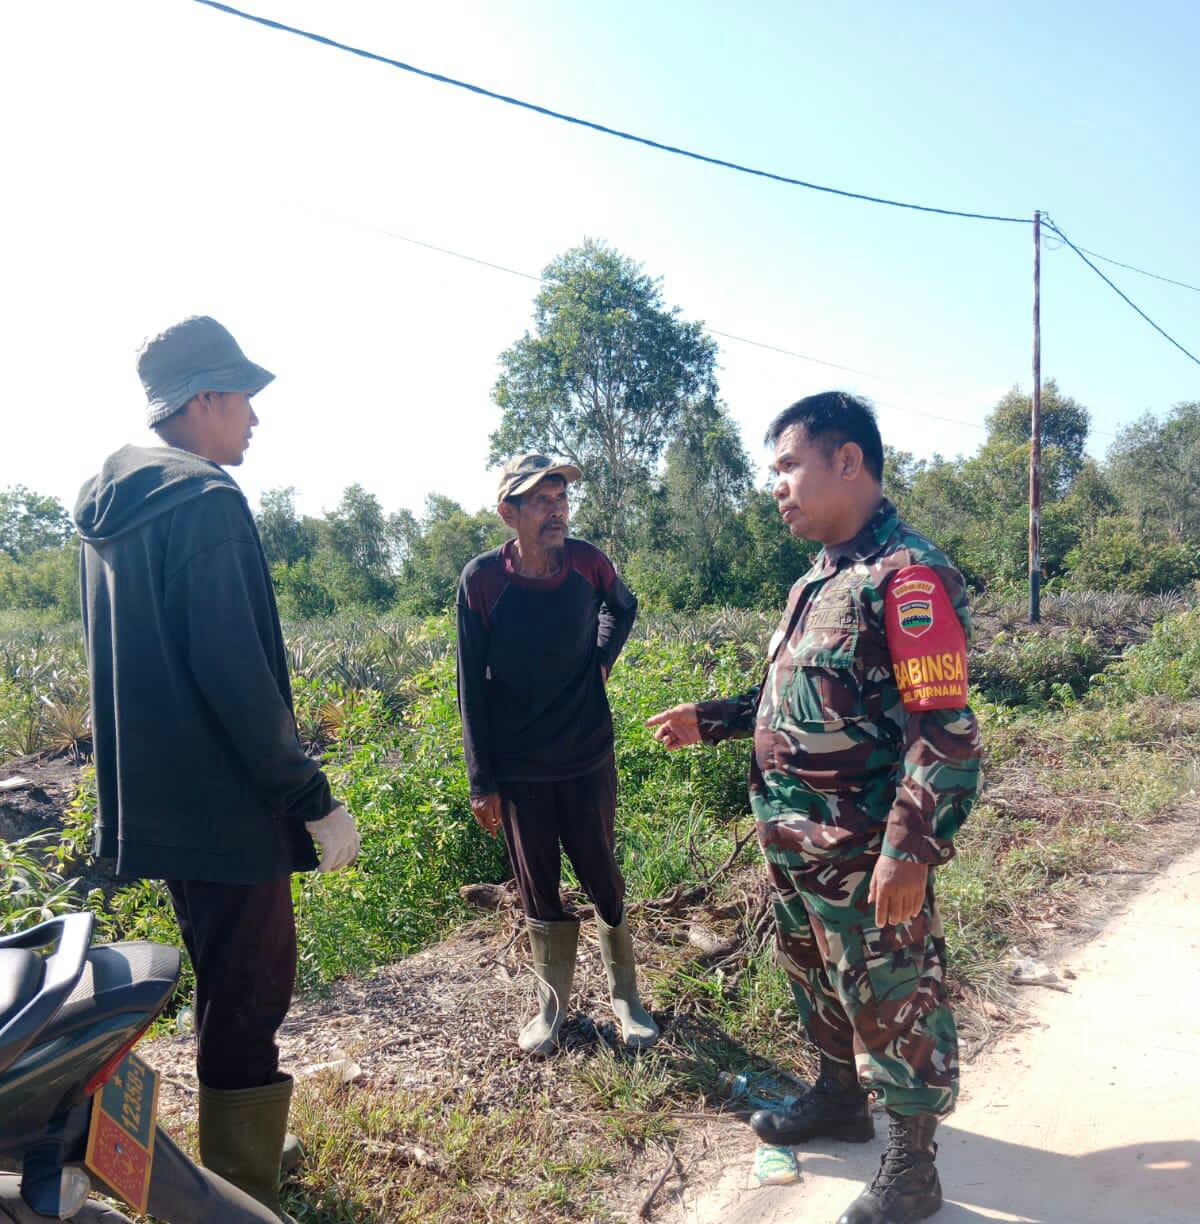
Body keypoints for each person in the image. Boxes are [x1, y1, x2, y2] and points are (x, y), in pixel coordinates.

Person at [647, 392, 980, 1224]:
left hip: (867, 848)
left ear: (848, 462)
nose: (777, 487)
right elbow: (795, 696)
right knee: (814, 975)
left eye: (789, 465)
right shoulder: (819, 579)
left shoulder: (908, 577)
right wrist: (716, 720)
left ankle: (913, 1169)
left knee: (894, 994)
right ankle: (837, 1097)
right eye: (774, 472)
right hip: (798, 842)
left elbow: (945, 730)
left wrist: (910, 848)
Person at [73, 316, 360, 1221]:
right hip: (232, 809)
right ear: (203, 399)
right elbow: (235, 673)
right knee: (250, 993)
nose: (253, 420)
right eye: (242, 399)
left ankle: (237, 1154)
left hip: (165, 809)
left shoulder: (107, 509)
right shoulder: (203, 501)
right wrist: (310, 798)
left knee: (223, 981)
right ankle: (239, 1196)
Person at [455, 454, 658, 1055]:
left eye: (562, 497)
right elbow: (470, 683)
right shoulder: (483, 580)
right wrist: (480, 780)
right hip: (519, 768)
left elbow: (624, 607)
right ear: (508, 513)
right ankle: (552, 1007)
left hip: (586, 754)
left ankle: (627, 999)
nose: (557, 509)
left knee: (603, 877)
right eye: (541, 500)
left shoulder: (588, 564)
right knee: (537, 889)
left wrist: (600, 660)